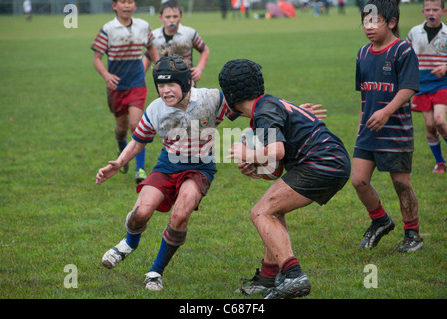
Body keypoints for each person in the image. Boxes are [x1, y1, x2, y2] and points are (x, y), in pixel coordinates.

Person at [96, 53, 240, 291]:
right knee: (140, 213)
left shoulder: (212, 99)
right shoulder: (156, 109)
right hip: (167, 165)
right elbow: (138, 141)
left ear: (186, 83)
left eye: (171, 84)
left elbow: (249, 108)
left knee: (180, 215)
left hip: (200, 168)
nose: (165, 90)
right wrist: (119, 163)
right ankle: (129, 244)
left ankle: (155, 272)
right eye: (160, 85)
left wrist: (287, 112)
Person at [219, 59, 351, 299]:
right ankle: (269, 278)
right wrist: (256, 164)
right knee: (272, 209)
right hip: (330, 161)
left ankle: (294, 276)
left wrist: (248, 154)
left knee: (261, 212)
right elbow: (276, 166)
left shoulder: (264, 111)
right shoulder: (267, 105)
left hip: (322, 162)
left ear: (230, 94)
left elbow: (277, 151)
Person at [353, 0, 423, 253]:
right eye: (365, 21)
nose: (368, 27)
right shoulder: (362, 53)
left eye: (374, 21)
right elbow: (364, 94)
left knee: (401, 183)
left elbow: (408, 88)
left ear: (391, 22)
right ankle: (380, 220)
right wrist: (362, 125)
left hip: (396, 132)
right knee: (358, 180)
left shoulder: (403, 51)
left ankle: (412, 233)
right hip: (368, 132)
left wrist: (386, 111)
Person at [91, 0, 159, 184]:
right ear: (115, 6)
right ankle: (122, 146)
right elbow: (97, 58)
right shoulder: (108, 29)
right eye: (123, 2)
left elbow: (151, 48)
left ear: (135, 6)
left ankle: (140, 169)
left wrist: (159, 66)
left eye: (130, 2)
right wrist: (106, 75)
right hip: (116, 87)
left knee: (136, 124)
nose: (127, 5)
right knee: (121, 128)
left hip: (137, 83)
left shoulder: (143, 26)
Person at [406, 0, 447, 174]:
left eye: (435, 10)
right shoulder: (415, 32)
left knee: (439, 121)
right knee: (430, 125)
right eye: (428, 10)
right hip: (421, 85)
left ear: (443, 12)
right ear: (423, 12)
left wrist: (446, 67)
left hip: (442, 84)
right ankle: (440, 163)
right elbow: (406, 56)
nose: (432, 13)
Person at [144, 0, 210, 85]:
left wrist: (199, 69)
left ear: (180, 16)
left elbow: (205, 50)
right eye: (168, 17)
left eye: (175, 16)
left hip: (186, 79)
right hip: (164, 80)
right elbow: (148, 56)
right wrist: (141, 75)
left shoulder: (189, 33)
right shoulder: (154, 36)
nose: (172, 20)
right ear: (161, 17)